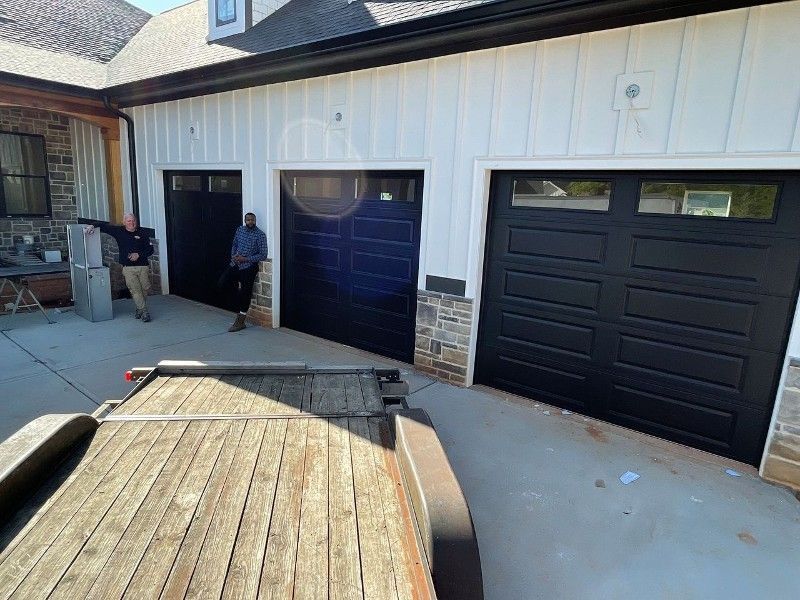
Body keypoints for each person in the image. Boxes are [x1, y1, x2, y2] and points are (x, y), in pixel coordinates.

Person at [85, 213, 154, 322]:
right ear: (124, 222)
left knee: (144, 289)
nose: (131, 223)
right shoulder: (119, 231)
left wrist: (138, 254)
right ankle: (144, 311)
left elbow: (150, 250)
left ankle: (139, 309)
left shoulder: (143, 232)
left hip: (143, 266)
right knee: (135, 290)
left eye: (133, 221)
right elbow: (103, 225)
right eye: (129, 221)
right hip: (128, 267)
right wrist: (92, 226)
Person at [223, 212, 268, 332]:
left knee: (246, 292)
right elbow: (234, 244)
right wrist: (234, 256)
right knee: (223, 283)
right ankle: (238, 303)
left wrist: (246, 259)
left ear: (255, 220)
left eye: (252, 220)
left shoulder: (260, 235)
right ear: (245, 220)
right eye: (248, 220)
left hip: (249, 267)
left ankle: (241, 320)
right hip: (236, 263)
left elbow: (263, 255)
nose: (250, 222)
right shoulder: (240, 230)